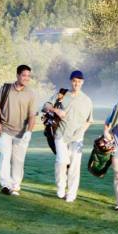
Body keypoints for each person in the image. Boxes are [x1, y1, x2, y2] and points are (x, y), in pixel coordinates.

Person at [42, 70, 93, 202]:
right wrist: (55, 110)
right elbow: (45, 105)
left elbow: (89, 120)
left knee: (75, 166)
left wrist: (82, 131)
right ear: (71, 81)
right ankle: (60, 187)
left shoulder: (87, 100)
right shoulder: (62, 95)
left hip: (77, 138)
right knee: (61, 161)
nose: (76, 84)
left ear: (83, 82)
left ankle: (71, 193)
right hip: (61, 134)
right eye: (74, 81)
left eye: (79, 81)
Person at [0, 64, 38, 196]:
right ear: (17, 75)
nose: (26, 78)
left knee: (18, 160)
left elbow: (32, 116)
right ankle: (5, 184)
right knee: (5, 156)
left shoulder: (31, 94)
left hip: (21, 133)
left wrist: (29, 132)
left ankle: (15, 184)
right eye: (24, 75)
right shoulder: (6, 88)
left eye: (28, 76)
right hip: (4, 130)